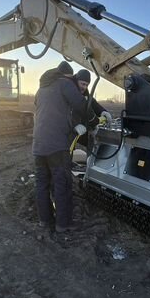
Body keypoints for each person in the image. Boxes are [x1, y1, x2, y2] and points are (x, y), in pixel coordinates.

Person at [33, 61, 88, 233]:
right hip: (57, 146)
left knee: (41, 184)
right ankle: (63, 224)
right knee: (62, 184)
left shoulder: (41, 88)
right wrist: (88, 121)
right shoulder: (64, 83)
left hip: (38, 145)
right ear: (68, 75)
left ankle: (44, 220)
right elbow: (80, 104)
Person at [72, 69, 112, 149]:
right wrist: (74, 125)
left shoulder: (84, 94)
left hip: (76, 132)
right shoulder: (69, 92)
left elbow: (91, 102)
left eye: (87, 85)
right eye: (82, 84)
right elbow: (63, 113)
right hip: (62, 133)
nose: (84, 87)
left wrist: (103, 112)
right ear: (76, 81)